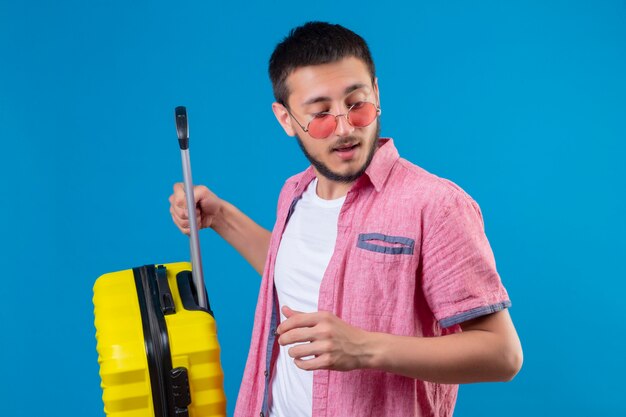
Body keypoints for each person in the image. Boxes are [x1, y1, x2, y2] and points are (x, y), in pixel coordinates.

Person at [169, 21, 523, 417]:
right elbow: (299, 271)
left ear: (377, 92)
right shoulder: (294, 192)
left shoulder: (436, 205)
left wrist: (364, 348)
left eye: (357, 104)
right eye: (320, 113)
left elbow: (502, 353)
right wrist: (221, 218)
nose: (344, 128)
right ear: (286, 120)